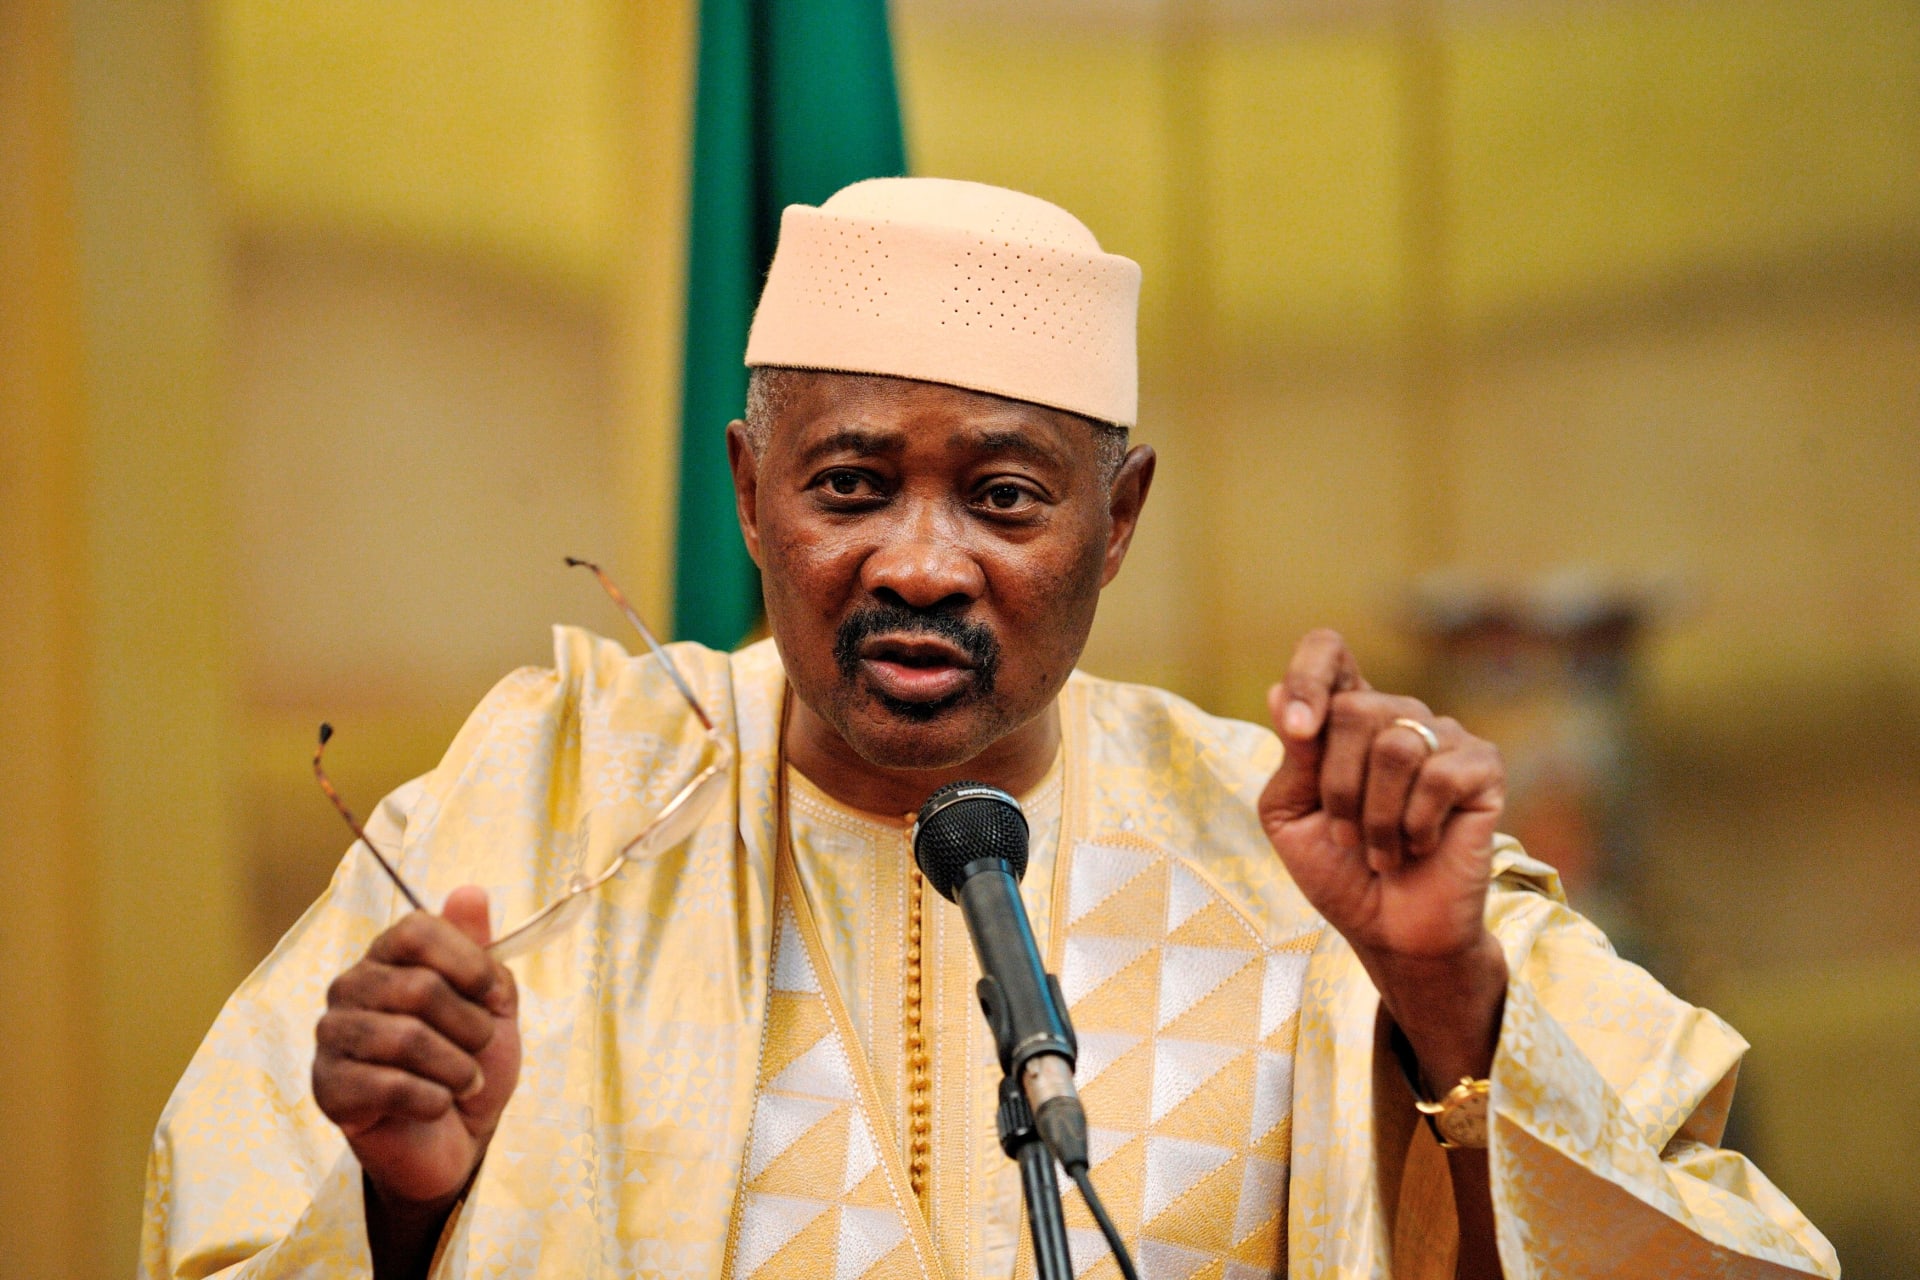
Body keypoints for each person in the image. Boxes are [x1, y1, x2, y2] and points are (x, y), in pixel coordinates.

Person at [141, 178, 1838, 1280]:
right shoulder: (553, 804)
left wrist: (1443, 1001)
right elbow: (216, 1227)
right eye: (851, 486)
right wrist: (401, 1201)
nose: (920, 564)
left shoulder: (1308, 848)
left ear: (1120, 519)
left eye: (1008, 497)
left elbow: (1732, 1255)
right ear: (747, 493)